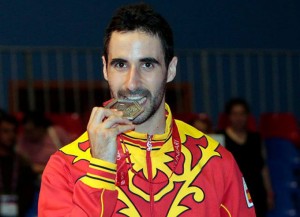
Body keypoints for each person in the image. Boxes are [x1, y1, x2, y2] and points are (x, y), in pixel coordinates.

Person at [38, 3, 256, 216]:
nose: (132, 83)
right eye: (120, 65)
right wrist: (100, 170)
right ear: (105, 68)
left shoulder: (215, 161)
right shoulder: (65, 167)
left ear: (170, 70)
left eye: (147, 65)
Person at [218, 98, 274, 217]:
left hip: (256, 190)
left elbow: (263, 167)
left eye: (242, 114)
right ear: (229, 116)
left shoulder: (256, 138)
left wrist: (269, 192)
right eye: (235, 114)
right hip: (234, 190)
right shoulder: (220, 137)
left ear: (247, 116)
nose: (239, 118)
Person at [0, 113, 36, 217]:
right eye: (5, 131)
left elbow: (29, 193)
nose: (11, 135)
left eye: (14, 131)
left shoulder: (23, 162)